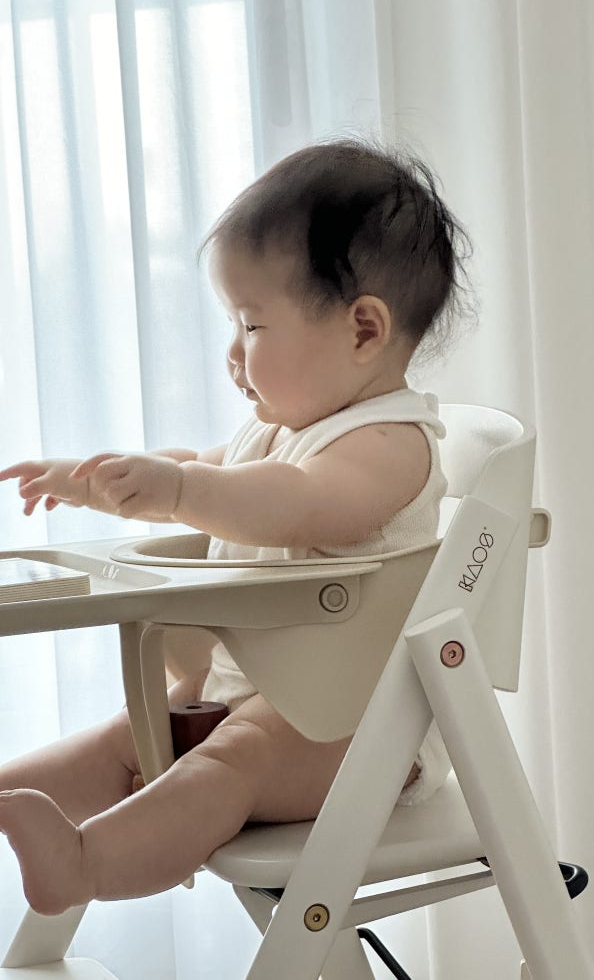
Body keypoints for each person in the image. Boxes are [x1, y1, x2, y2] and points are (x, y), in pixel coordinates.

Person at [0, 139, 469, 917]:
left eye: (251, 324)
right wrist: (101, 480)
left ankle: (82, 863)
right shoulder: (279, 431)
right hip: (258, 687)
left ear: (362, 330)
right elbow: (202, 469)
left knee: (233, 759)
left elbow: (293, 500)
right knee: (133, 734)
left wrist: (186, 488)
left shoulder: (390, 445)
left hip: (359, 727)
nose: (231, 352)